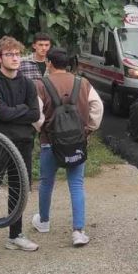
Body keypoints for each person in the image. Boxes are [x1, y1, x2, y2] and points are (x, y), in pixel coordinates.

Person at [0, 36, 41, 259]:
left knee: (19, 189)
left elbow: (35, 114)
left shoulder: (27, 83)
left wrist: (12, 112)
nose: (14, 58)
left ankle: (15, 235)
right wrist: (21, 109)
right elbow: (0, 113)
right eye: (9, 54)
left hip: (23, 143)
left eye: (17, 54)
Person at [32, 48, 103, 247]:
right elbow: (97, 107)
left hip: (49, 142)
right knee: (77, 184)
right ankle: (78, 231)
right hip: (76, 143)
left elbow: (36, 115)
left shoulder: (40, 84)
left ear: (49, 63)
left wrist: (42, 129)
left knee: (46, 182)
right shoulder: (83, 83)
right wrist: (89, 129)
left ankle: (44, 221)